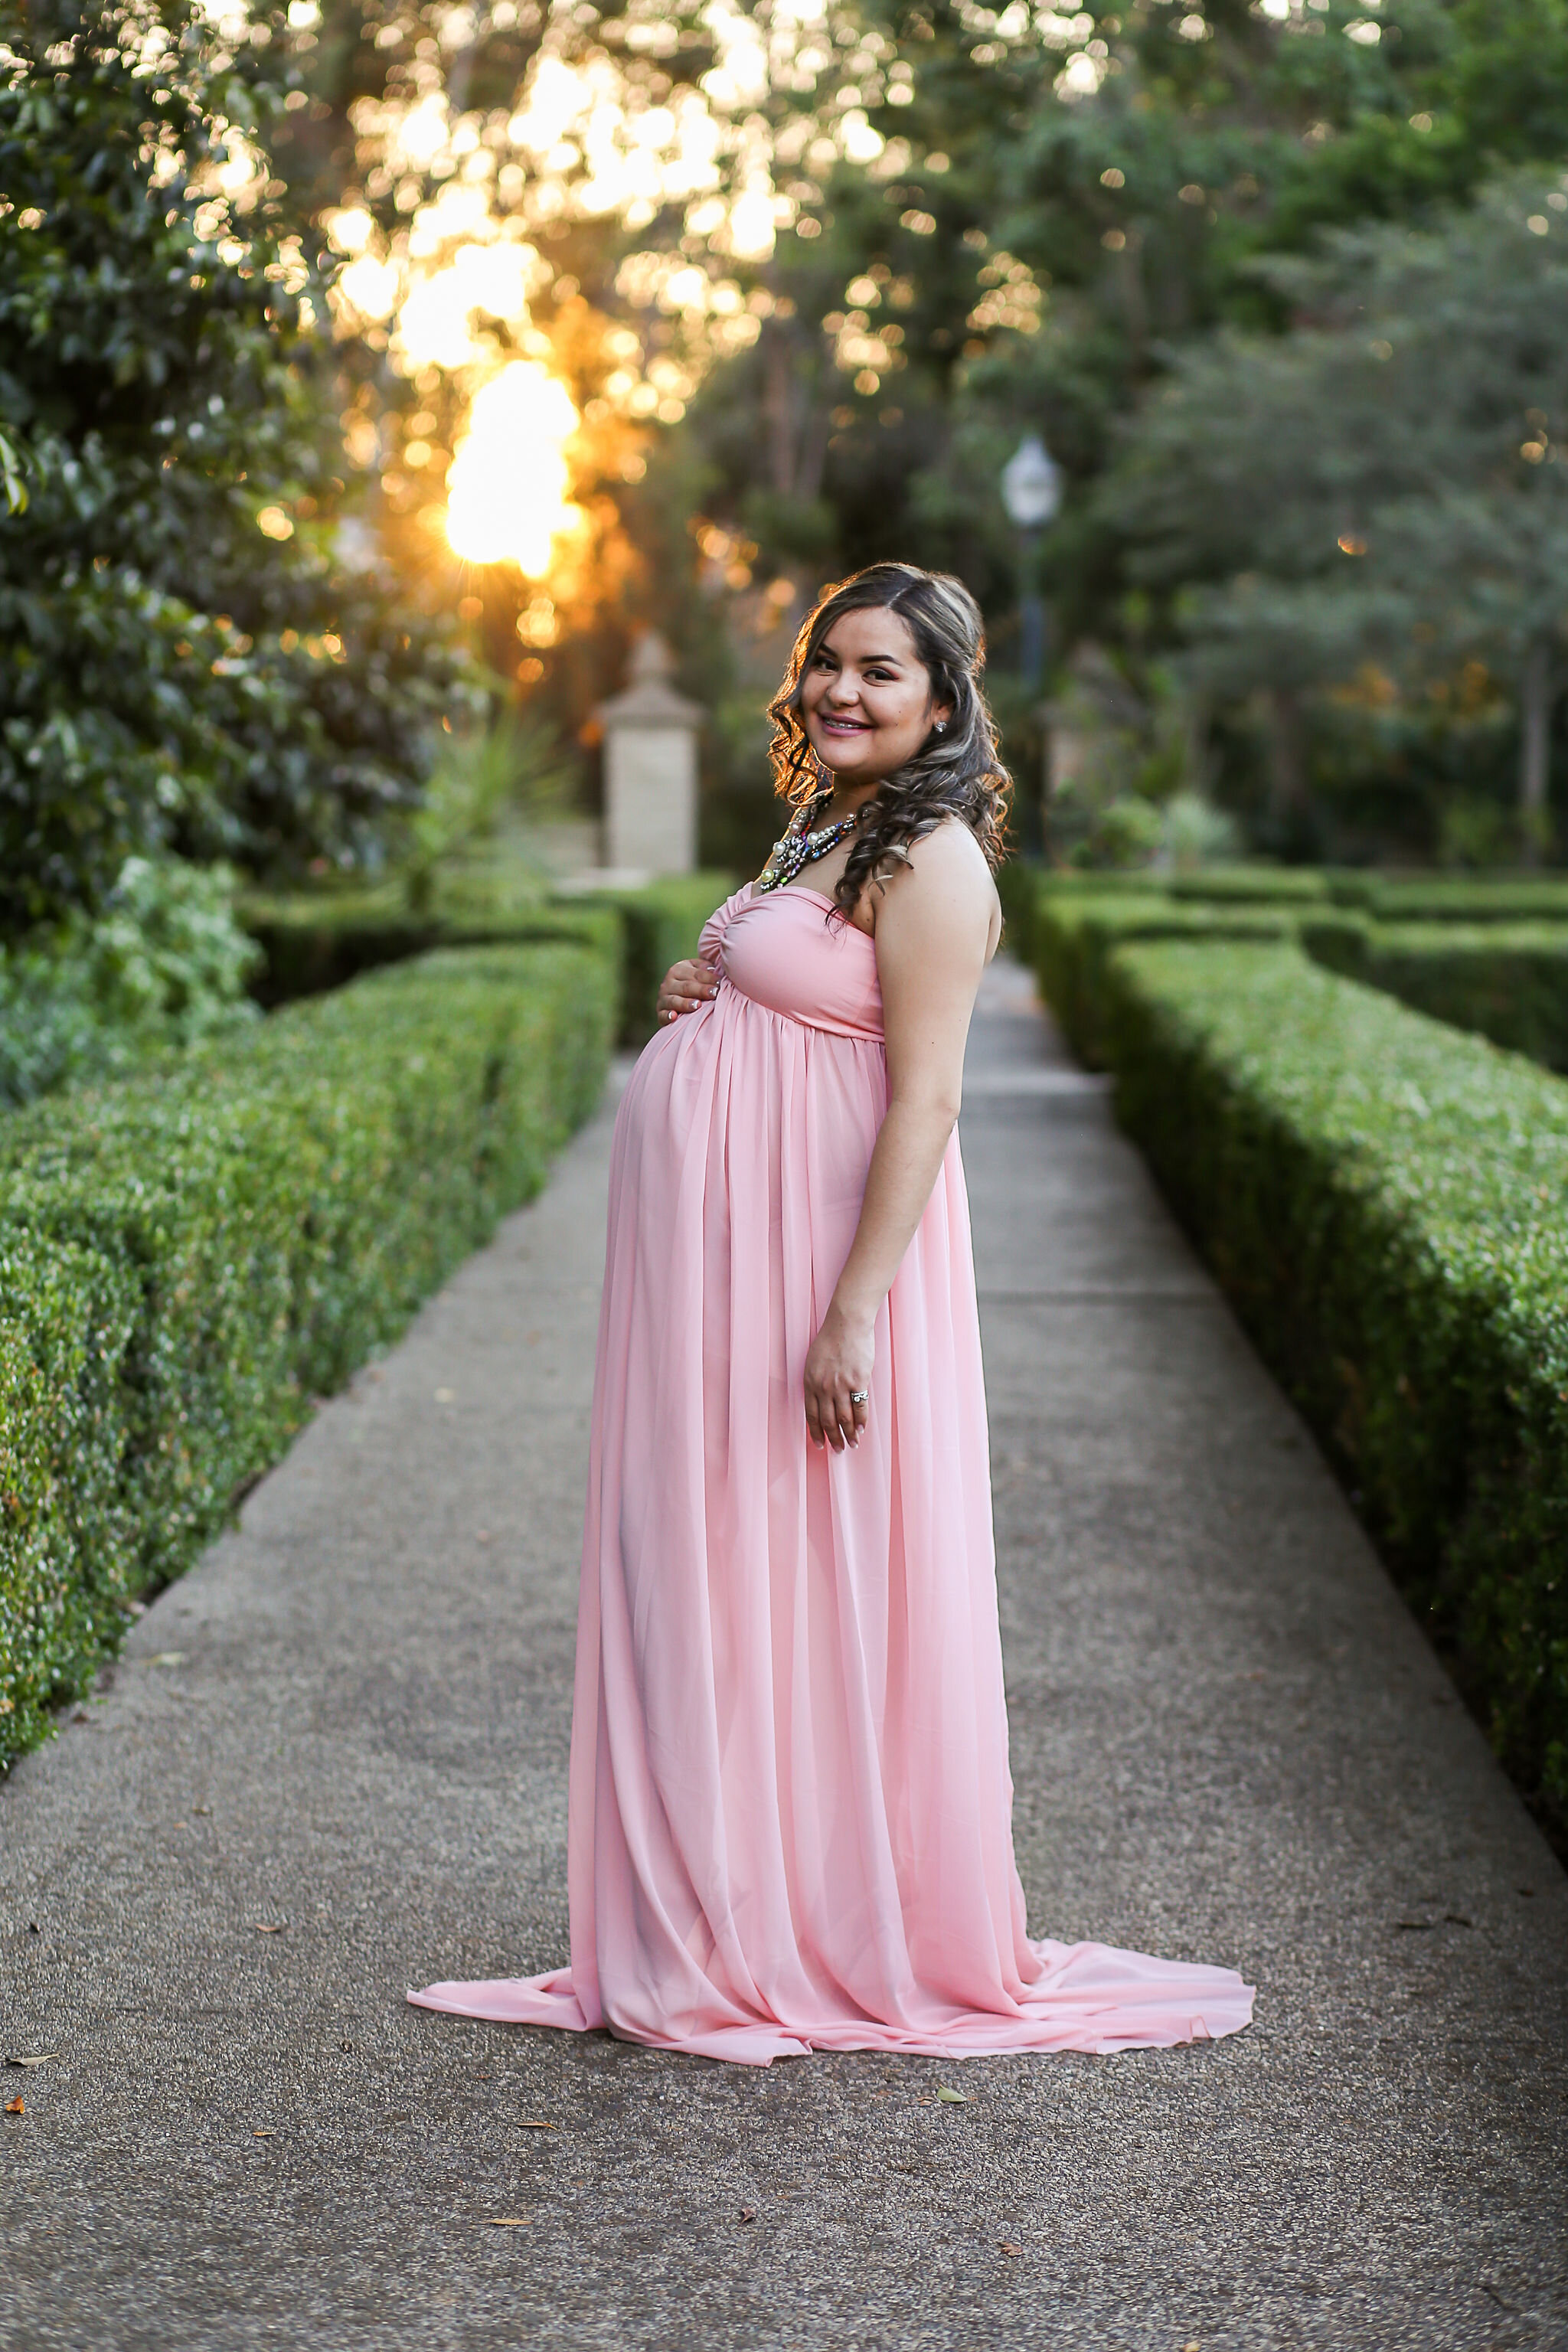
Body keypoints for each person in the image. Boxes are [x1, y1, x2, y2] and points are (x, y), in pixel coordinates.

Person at [410, 563, 1254, 2063]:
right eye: (828, 664)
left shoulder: (931, 860)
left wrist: (851, 1313)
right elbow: (803, 998)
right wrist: (709, 988)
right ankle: (716, 1904)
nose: (842, 691)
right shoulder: (824, 827)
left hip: (813, 1276)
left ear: (942, 702)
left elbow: (924, 1099)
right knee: (704, 1566)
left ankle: (799, 1925)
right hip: (710, 1286)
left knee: (794, 1577)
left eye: (881, 672)